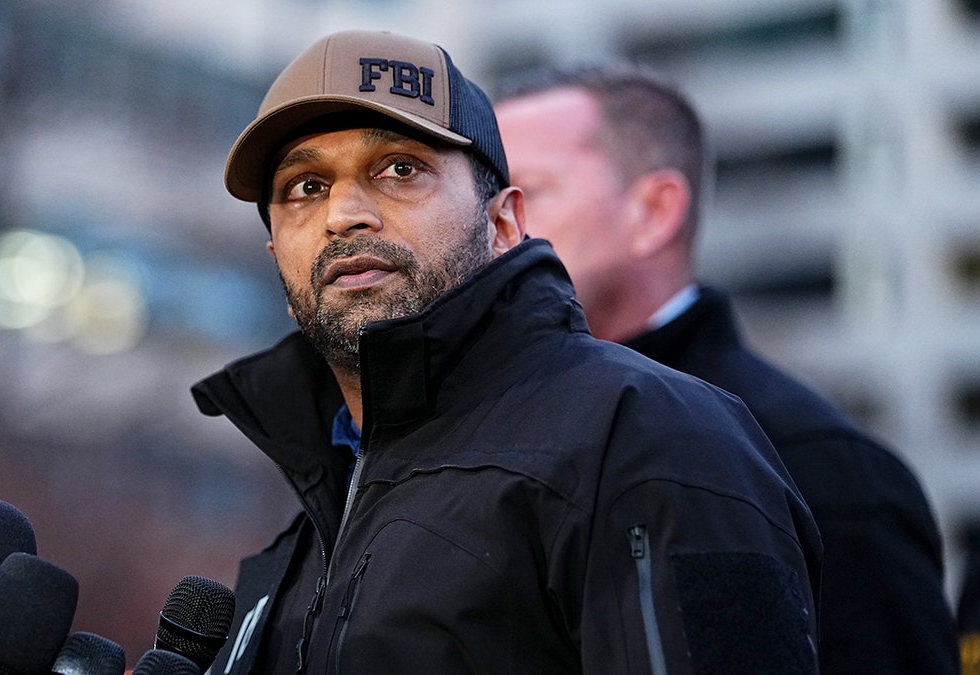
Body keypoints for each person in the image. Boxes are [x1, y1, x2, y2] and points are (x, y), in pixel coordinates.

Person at [194, 30, 822, 674]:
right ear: (277, 256)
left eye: (400, 170)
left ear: (503, 225)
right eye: (305, 186)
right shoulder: (300, 542)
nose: (344, 215)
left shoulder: (651, 437)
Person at [493, 64, 957, 674]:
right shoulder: (461, 437)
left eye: (525, 192)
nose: (493, 228)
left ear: (653, 212)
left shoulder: (818, 467)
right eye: (485, 200)